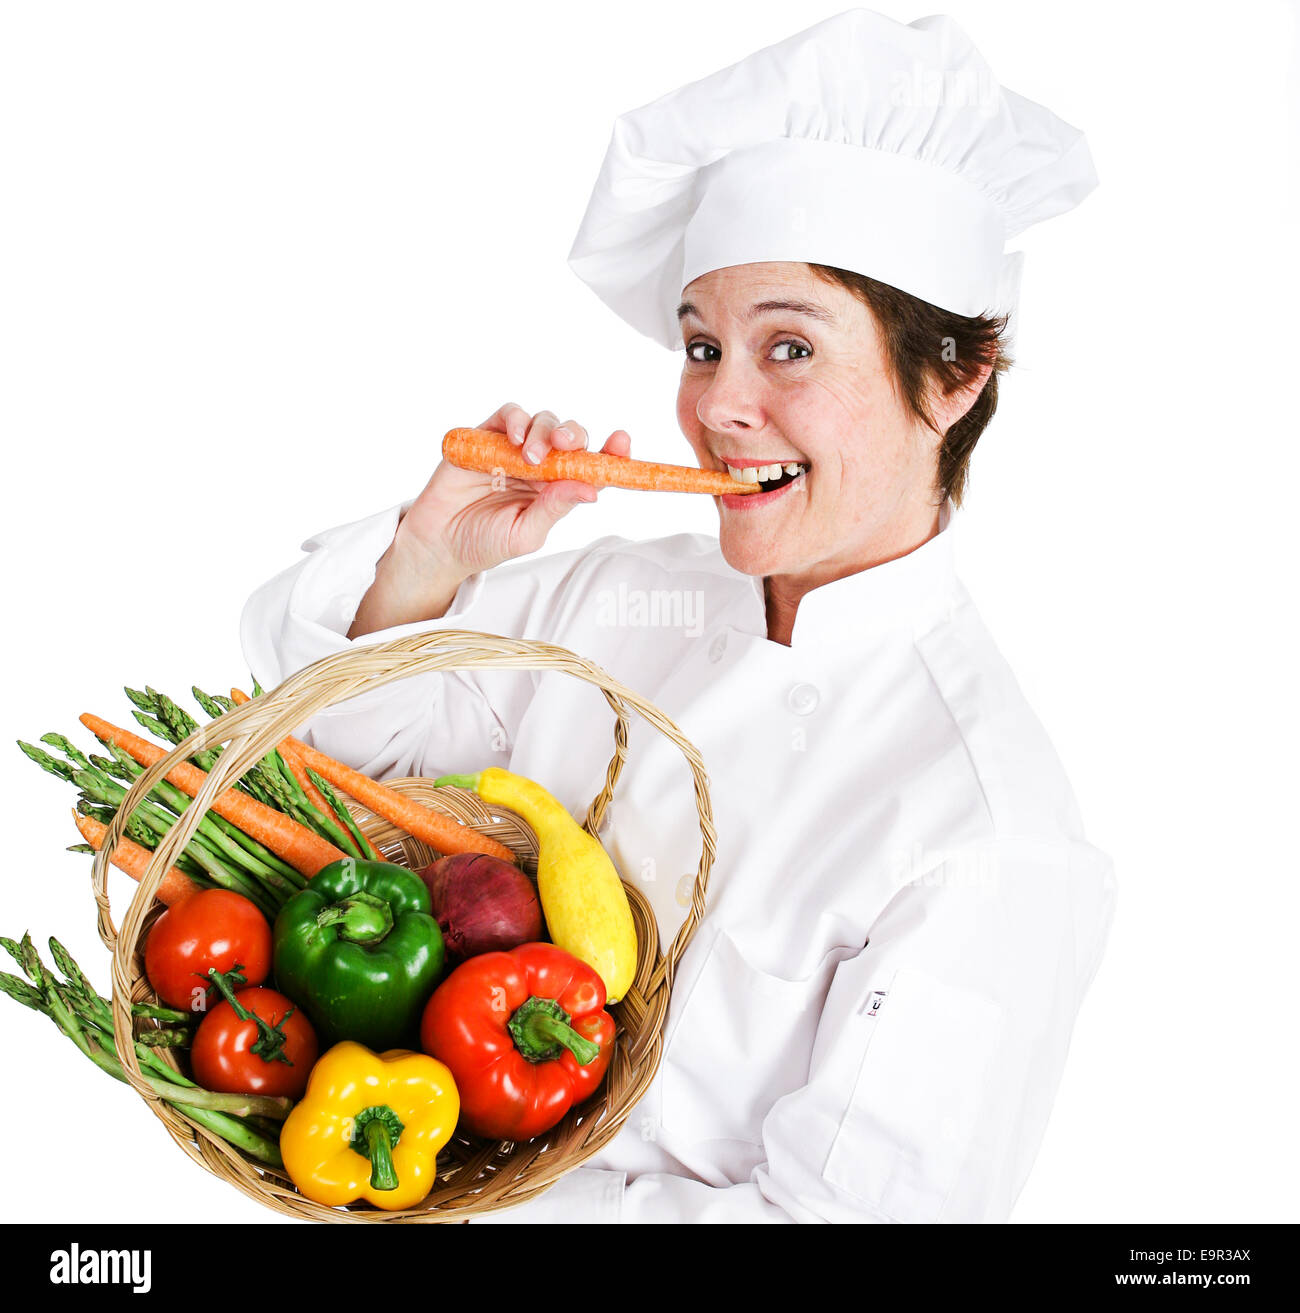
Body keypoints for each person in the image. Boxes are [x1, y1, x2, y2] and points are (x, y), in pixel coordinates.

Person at [241, 9, 1115, 1223]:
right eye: (703, 346)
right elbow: (341, 771)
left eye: (790, 347)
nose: (720, 408)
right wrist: (433, 556)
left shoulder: (988, 836)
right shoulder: (612, 594)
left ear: (954, 380)